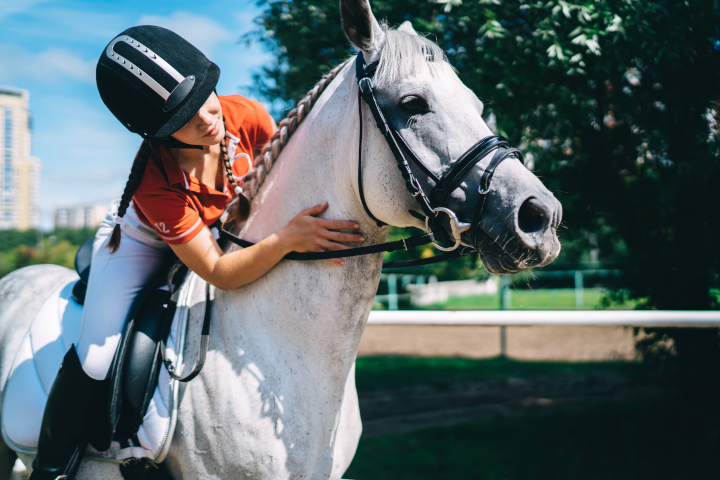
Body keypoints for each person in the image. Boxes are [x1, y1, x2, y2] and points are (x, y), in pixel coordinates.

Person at [29, 25, 364, 480]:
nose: (207, 118)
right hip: (140, 245)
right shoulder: (156, 181)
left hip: (220, 230)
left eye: (205, 99)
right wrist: (287, 239)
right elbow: (221, 272)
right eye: (186, 119)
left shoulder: (246, 115)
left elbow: (278, 193)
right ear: (161, 134)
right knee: (96, 354)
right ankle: (54, 466)